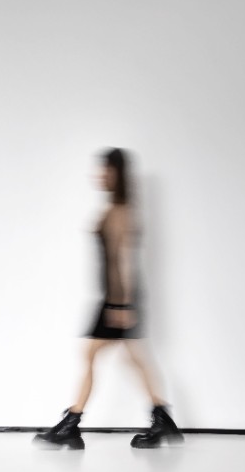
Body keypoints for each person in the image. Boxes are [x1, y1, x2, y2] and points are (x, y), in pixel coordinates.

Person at [35, 148, 183, 449]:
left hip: (118, 298)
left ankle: (71, 424)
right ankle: (162, 420)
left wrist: (121, 304)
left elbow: (124, 261)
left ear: (118, 174)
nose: (100, 175)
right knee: (131, 358)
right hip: (115, 297)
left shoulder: (121, 211)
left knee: (93, 354)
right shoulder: (115, 208)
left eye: (106, 170)